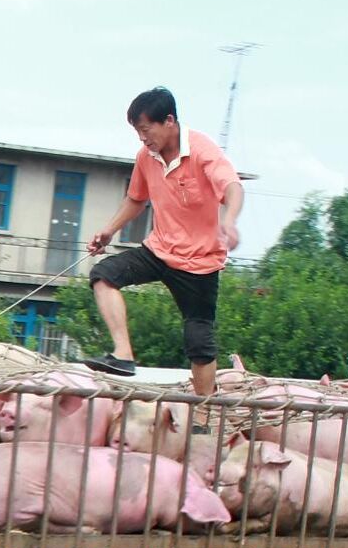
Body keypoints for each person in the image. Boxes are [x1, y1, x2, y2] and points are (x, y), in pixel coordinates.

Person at [83, 86, 244, 397]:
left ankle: (203, 410)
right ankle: (123, 355)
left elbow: (232, 186)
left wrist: (230, 220)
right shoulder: (146, 157)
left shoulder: (203, 151)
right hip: (159, 250)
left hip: (199, 263)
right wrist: (109, 230)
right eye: (137, 132)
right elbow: (136, 199)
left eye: (146, 130)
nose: (142, 138)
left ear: (169, 121)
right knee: (104, 275)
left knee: (199, 343)